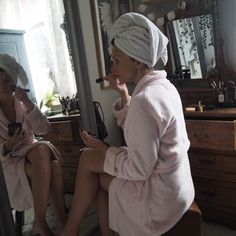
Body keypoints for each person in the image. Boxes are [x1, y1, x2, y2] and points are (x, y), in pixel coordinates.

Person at [61, 12, 195, 236]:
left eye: (116, 60)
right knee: (92, 163)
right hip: (177, 186)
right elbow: (142, 132)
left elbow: (139, 169)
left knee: (91, 164)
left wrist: (103, 148)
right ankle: (83, 230)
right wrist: (124, 94)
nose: (112, 68)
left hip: (158, 199)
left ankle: (71, 230)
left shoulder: (144, 101)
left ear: (137, 60)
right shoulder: (164, 87)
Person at [0, 53, 66, 236]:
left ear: (13, 81)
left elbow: (44, 129)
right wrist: (7, 145)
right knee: (53, 166)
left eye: (7, 80)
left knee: (42, 149)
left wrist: (28, 103)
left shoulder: (22, 102)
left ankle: (42, 220)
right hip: (10, 160)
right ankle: (59, 222)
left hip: (31, 150)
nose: (2, 86)